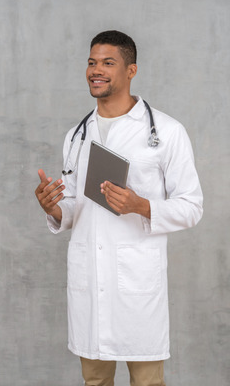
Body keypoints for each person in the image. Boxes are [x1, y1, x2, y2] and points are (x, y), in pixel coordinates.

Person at [35, 30, 203, 386]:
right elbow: (73, 209)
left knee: (146, 382)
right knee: (94, 381)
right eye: (92, 62)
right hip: (89, 282)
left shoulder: (166, 132)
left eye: (108, 63)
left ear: (131, 70)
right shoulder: (76, 135)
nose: (97, 70)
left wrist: (141, 205)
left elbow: (192, 207)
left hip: (137, 283)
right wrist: (53, 208)